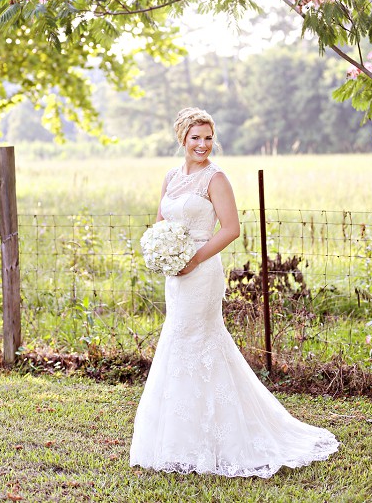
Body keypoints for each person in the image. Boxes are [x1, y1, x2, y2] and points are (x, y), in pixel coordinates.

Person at [130, 107, 338, 477]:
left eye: (208, 137)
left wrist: (193, 259)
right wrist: (161, 251)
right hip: (175, 274)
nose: (203, 144)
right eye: (196, 137)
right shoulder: (170, 177)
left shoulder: (216, 178)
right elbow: (160, 224)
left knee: (197, 341)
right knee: (178, 341)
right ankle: (178, 440)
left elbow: (230, 229)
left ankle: (219, 439)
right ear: (182, 138)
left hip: (201, 270)